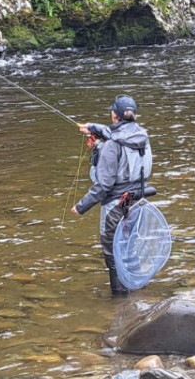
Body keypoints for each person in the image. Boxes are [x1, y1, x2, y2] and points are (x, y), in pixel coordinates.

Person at [71, 95, 152, 297]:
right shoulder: (142, 135)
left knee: (113, 254)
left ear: (114, 115)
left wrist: (81, 206)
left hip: (115, 206)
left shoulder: (112, 143)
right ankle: (136, 290)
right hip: (138, 201)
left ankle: (120, 302)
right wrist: (94, 131)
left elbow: (104, 185)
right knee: (129, 245)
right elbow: (113, 136)